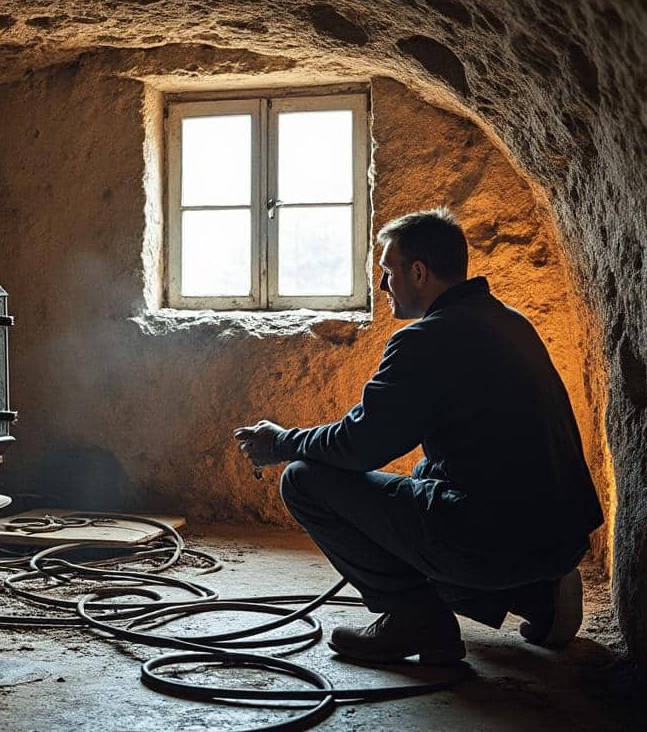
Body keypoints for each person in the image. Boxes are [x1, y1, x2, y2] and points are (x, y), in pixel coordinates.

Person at [234, 208, 602, 665]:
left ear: (419, 272)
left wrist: (283, 443)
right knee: (425, 475)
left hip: (497, 541)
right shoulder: (509, 321)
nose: (384, 285)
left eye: (388, 272)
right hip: (559, 536)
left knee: (304, 480)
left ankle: (414, 617)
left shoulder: (427, 340)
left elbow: (360, 444)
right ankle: (538, 594)